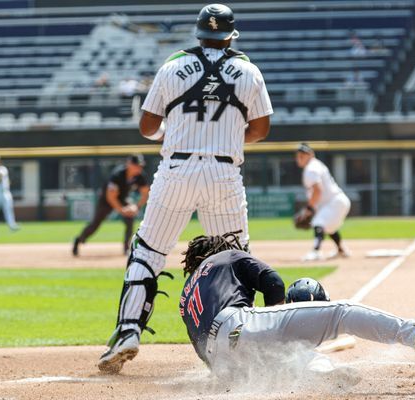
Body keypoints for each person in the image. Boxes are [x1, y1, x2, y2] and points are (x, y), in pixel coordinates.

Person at [97, 3, 272, 373]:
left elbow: (146, 127)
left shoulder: (172, 65)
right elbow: (260, 129)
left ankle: (128, 331)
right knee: (236, 260)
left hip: (175, 170)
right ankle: (245, 348)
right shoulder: (249, 70)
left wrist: (170, 133)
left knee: (148, 251)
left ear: (198, 33)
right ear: (230, 36)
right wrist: (224, 137)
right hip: (224, 173)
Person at [177, 233, 415, 379]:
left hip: (220, 362)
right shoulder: (226, 256)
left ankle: (318, 371)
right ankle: (414, 333)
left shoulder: (185, 297)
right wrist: (275, 322)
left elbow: (206, 353)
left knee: (277, 356)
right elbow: (274, 282)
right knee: (342, 312)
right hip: (236, 325)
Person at [73, 154, 149, 256]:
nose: (139, 168)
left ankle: (126, 248)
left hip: (122, 199)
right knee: (95, 224)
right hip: (106, 200)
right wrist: (122, 210)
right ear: (129, 164)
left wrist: (136, 207)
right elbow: (111, 197)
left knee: (129, 220)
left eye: (140, 165)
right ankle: (79, 240)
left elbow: (145, 193)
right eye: (136, 165)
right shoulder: (118, 175)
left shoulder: (140, 176)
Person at [295, 143, 351, 261]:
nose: (299, 158)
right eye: (298, 155)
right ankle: (341, 250)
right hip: (337, 201)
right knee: (329, 228)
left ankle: (316, 251)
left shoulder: (311, 168)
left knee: (318, 222)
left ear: (311, 155)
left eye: (303, 155)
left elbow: (318, 190)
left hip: (335, 202)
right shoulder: (316, 165)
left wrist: (309, 208)